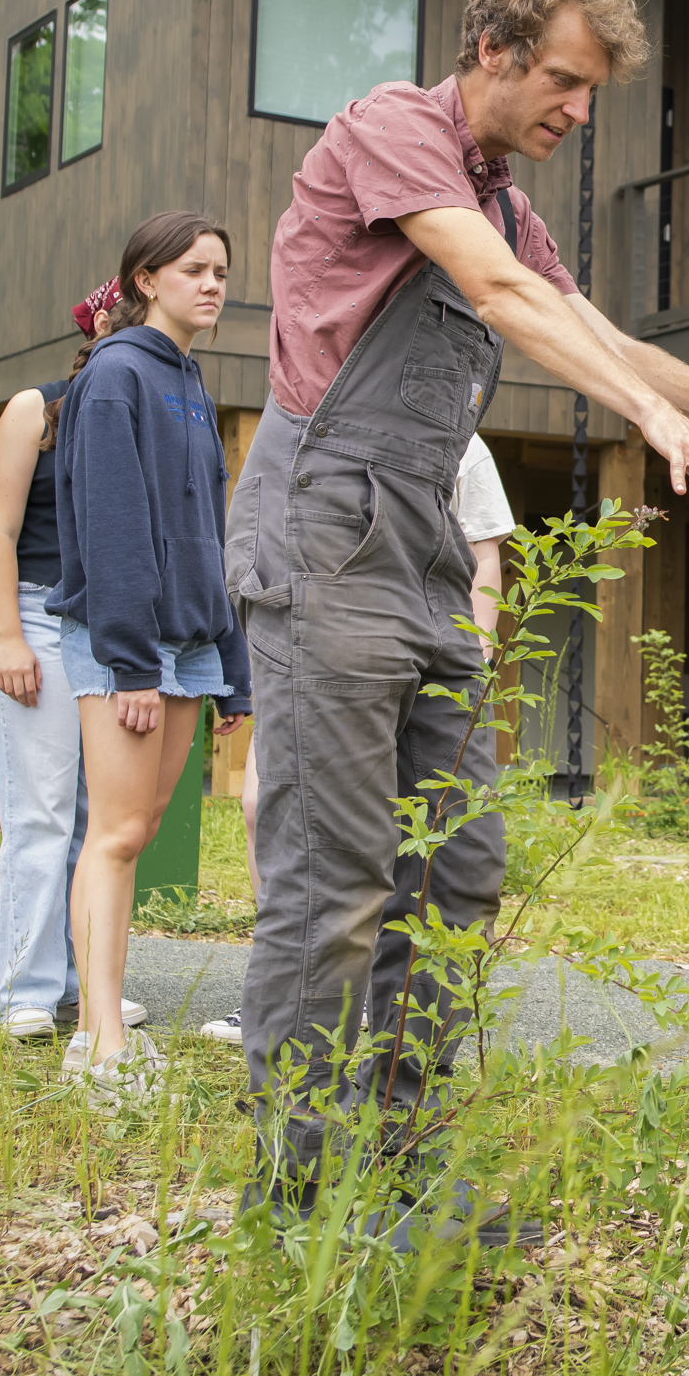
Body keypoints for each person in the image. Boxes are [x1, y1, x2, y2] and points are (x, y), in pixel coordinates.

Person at [229, 0, 689, 1223]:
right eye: (570, 84)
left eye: (592, 94)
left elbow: (587, 323)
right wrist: (649, 419)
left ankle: (394, 1154)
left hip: (421, 542)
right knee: (334, 878)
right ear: (495, 49)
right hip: (324, 528)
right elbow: (493, 293)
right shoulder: (388, 133)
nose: (580, 116)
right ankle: (302, 1200)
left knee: (460, 863)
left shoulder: (508, 206)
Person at [199, 432, 510, 1049]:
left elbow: (485, 554)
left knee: (409, 848)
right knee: (274, 816)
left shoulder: (462, 444)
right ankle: (287, 1006)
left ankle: (386, 1023)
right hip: (328, 646)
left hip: (430, 657)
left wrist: (474, 649)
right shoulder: (310, 422)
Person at [45, 212, 252, 1098]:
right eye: (193, 270)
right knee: (118, 835)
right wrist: (132, 664)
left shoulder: (190, 382)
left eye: (220, 272)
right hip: (128, 643)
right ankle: (98, 1043)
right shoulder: (120, 376)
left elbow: (209, 532)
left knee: (137, 831)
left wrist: (232, 664)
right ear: (144, 281)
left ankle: (105, 1026)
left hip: (190, 642)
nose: (211, 285)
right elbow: (115, 526)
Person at [0, 303, 157, 1044]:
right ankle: (27, 989)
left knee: (100, 817)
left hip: (113, 624)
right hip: (39, 615)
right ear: (102, 330)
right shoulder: (35, 409)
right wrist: (9, 638)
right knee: (41, 810)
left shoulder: (146, 419)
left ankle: (90, 989)